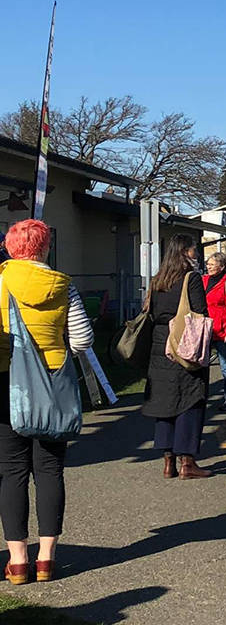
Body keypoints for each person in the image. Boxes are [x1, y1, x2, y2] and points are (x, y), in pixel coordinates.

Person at [0, 219, 93, 584]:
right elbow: (83, 340)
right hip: (53, 384)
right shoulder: (63, 285)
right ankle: (46, 558)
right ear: (44, 248)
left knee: (12, 471)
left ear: (11, 247)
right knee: (50, 470)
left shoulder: (2, 281)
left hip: (7, 382)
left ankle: (18, 560)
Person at [143, 233, 212, 480]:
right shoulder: (190, 279)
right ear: (185, 252)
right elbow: (200, 313)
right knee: (190, 400)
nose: (197, 254)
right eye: (194, 250)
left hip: (159, 345)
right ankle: (188, 462)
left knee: (165, 403)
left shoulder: (157, 280)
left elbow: (150, 312)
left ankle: (168, 461)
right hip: (184, 344)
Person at [202, 252, 226, 409]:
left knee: (225, 366)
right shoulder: (203, 280)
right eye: (208, 264)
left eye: (212, 264)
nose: (209, 267)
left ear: (221, 267)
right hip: (205, 329)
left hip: (221, 331)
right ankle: (200, 398)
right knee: (201, 365)